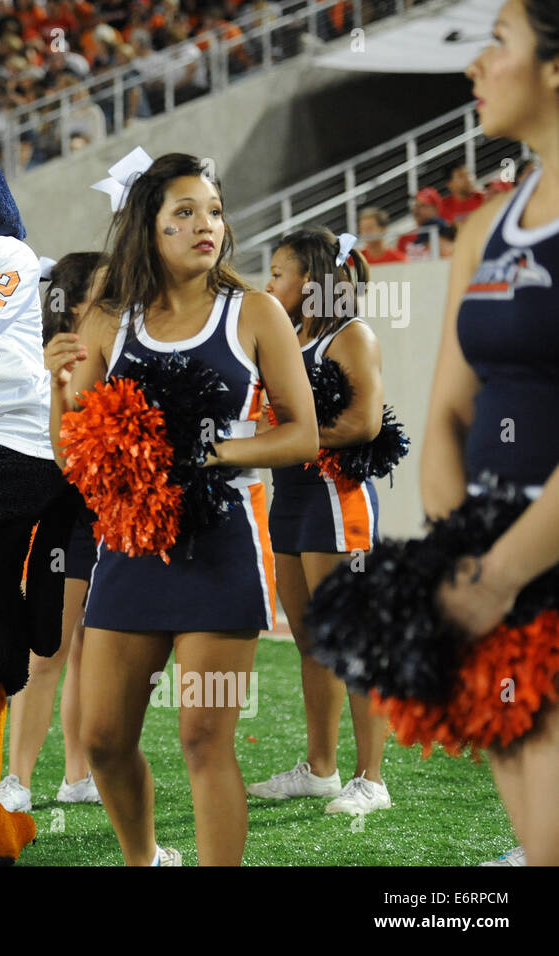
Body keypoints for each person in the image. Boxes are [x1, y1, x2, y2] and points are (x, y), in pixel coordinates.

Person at [47, 153, 317, 865]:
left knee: (203, 735)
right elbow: (73, 456)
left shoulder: (254, 311)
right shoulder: (109, 321)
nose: (207, 226)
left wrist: (211, 457)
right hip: (130, 547)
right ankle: (147, 859)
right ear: (150, 228)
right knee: (104, 738)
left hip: (221, 547)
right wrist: (56, 388)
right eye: (185, 214)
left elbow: (302, 433)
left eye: (215, 212)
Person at [423, 0, 559, 867]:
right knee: (530, 833)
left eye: (497, 44)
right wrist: (460, 551)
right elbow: (442, 412)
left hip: (527, 572)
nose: (474, 67)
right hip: (493, 575)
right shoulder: (484, 225)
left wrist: (498, 575)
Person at [248, 225, 393, 814]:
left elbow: (364, 424)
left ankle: (372, 780)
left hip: (338, 498)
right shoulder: (285, 339)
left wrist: (286, 438)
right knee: (310, 640)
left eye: (278, 273)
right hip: (292, 496)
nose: (268, 282)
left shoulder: (349, 335)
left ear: (310, 281)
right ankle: (321, 769)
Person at [0, 251, 105, 812]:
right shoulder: (33, 357)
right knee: (47, 653)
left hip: (109, 513)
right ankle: (16, 779)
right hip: (60, 513)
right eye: (106, 292)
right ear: (73, 302)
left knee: (92, 654)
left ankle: (78, 774)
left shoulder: (119, 349)